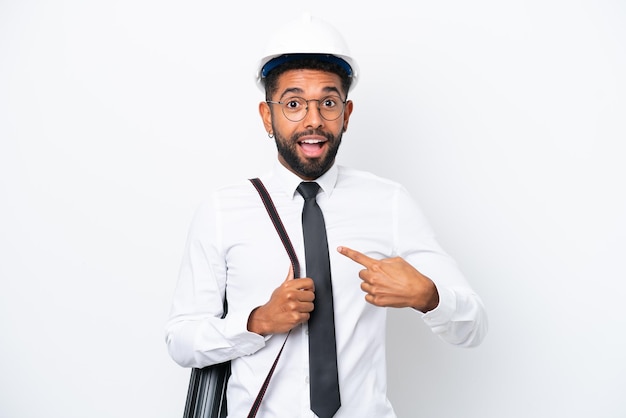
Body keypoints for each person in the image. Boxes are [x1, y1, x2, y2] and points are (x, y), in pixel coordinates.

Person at [165, 13, 488, 418]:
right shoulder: (222, 210)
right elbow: (180, 339)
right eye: (294, 103)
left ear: (347, 114)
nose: (314, 120)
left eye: (329, 103)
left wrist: (430, 297)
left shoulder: (389, 203)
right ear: (268, 116)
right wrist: (257, 321)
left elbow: (473, 326)